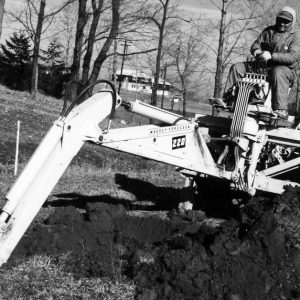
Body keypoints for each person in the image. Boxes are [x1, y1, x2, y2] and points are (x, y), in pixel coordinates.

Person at [223, 6, 300, 119]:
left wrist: (271, 55)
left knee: (278, 71)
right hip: (263, 67)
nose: (282, 23)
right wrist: (257, 50)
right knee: (237, 67)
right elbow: (256, 44)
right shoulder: (268, 31)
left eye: (286, 22)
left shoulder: (296, 36)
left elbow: (292, 57)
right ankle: (228, 100)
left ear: (292, 22)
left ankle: (280, 109)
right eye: (280, 20)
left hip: (285, 71)